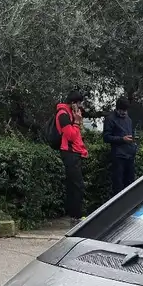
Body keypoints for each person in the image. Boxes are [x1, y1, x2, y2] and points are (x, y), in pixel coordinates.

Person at [55, 91, 88, 223]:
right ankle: (77, 214)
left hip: (75, 152)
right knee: (77, 185)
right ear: (73, 103)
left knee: (74, 184)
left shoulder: (71, 114)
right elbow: (70, 135)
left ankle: (73, 213)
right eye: (79, 103)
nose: (80, 106)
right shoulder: (63, 115)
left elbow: (79, 133)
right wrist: (76, 121)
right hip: (69, 152)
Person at [104, 97, 138, 196]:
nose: (124, 113)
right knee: (118, 186)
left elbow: (131, 133)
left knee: (131, 185)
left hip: (130, 155)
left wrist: (134, 144)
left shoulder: (128, 119)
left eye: (126, 110)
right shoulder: (110, 119)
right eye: (122, 110)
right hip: (118, 157)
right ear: (117, 109)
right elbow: (106, 137)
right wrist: (122, 139)